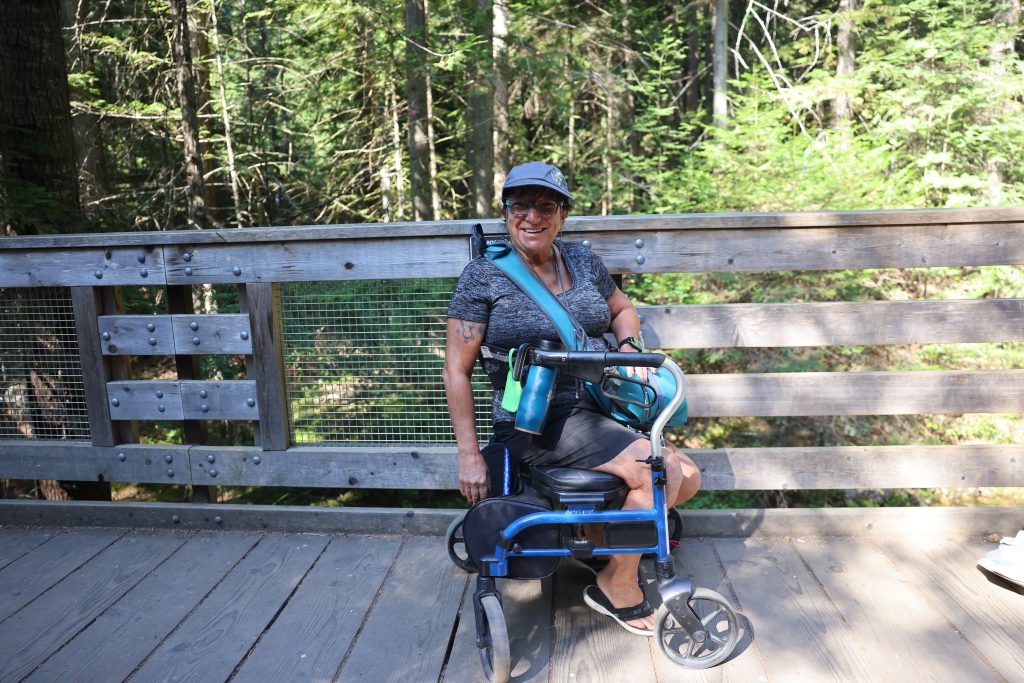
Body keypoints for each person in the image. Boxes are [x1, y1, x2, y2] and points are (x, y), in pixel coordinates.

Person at [443, 161, 701, 636]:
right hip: (535, 421)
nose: (532, 217)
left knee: (688, 476)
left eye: (545, 206)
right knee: (656, 472)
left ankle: (602, 549)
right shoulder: (483, 276)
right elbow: (456, 370)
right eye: (520, 205)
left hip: (599, 407)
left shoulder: (581, 261)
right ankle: (617, 583)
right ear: (506, 213)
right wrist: (469, 455)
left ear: (562, 215)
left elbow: (622, 308)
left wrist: (624, 347)